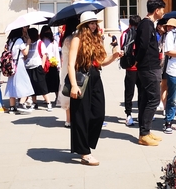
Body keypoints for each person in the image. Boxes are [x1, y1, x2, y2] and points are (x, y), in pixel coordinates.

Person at [67, 11, 121, 166]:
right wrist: (73, 85)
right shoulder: (76, 40)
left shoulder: (96, 40)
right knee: (81, 117)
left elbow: (101, 62)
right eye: (91, 23)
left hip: (95, 78)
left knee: (98, 114)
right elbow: (70, 64)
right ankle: (85, 152)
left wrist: (114, 56)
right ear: (84, 26)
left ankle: (85, 144)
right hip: (81, 79)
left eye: (95, 23)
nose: (94, 25)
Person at [134, 0, 166, 146]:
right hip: (148, 68)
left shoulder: (149, 24)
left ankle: (145, 131)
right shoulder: (146, 24)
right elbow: (143, 46)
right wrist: (137, 61)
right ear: (156, 10)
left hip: (150, 67)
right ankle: (144, 133)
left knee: (146, 100)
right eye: (162, 9)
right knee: (153, 99)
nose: (163, 12)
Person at [5, 27, 34, 114]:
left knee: (12, 85)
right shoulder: (19, 41)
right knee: (26, 83)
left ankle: (12, 106)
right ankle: (21, 103)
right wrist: (28, 43)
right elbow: (25, 52)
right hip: (19, 64)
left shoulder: (10, 41)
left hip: (11, 65)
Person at [29, 25, 56, 111]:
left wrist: (42, 66)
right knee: (32, 86)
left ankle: (48, 103)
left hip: (38, 66)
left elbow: (44, 54)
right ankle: (34, 102)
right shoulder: (28, 44)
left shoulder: (40, 43)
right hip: (29, 66)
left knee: (42, 85)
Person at [120, 15, 141, 127]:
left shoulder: (127, 33)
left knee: (136, 92)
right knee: (133, 92)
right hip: (134, 67)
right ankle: (129, 114)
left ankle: (133, 114)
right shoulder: (128, 33)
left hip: (136, 67)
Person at [58, 20, 79, 127]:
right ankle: (73, 118)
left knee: (67, 93)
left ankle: (68, 119)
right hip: (72, 68)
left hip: (65, 68)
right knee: (73, 91)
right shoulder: (73, 40)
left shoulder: (65, 38)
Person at [157, 18, 176, 112]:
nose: (170, 28)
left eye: (172, 26)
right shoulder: (163, 36)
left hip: (175, 61)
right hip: (165, 61)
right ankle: (164, 104)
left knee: (175, 85)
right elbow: (159, 48)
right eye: (168, 26)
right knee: (164, 85)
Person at [41, 25, 62, 108]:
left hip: (51, 63)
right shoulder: (42, 41)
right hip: (48, 63)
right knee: (49, 82)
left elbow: (56, 53)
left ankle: (57, 97)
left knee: (55, 82)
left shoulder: (53, 42)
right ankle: (49, 98)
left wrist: (58, 65)